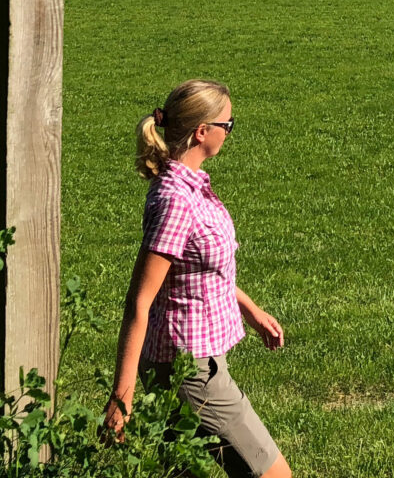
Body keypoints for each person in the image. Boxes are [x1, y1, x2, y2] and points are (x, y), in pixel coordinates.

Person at [103, 79, 291, 478]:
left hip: (193, 362)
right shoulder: (176, 201)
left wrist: (252, 312)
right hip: (189, 371)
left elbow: (200, 271)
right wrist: (121, 398)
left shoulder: (191, 186)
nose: (229, 132)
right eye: (228, 124)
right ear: (202, 132)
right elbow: (140, 300)